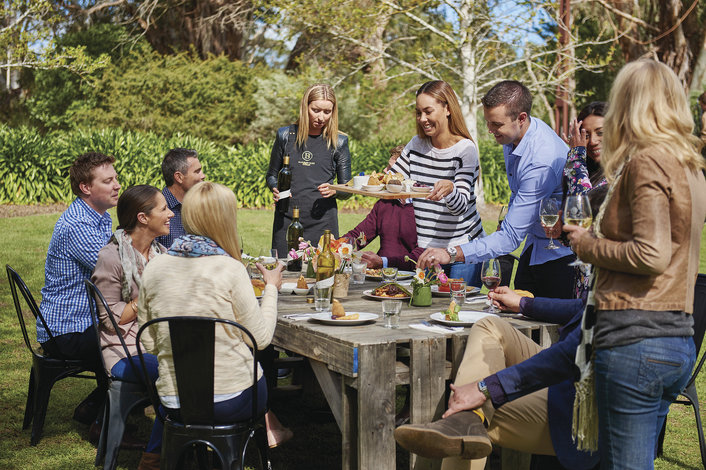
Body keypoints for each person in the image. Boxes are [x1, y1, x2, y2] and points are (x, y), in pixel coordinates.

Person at [565, 60, 706, 470]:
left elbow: (651, 253)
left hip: (636, 340)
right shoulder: (692, 168)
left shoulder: (648, 161)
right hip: (677, 339)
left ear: (627, 105)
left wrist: (587, 245)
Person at [137, 182, 291, 469]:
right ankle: (271, 434)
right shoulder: (230, 269)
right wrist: (271, 288)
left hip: (174, 400)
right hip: (231, 400)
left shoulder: (154, 266)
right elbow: (259, 339)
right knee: (259, 371)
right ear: (225, 219)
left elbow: (148, 343)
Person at [394, 287, 598, 470]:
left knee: (469, 415)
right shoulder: (609, 269)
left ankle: (466, 420)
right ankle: (467, 419)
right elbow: (583, 307)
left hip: (583, 405)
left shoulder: (614, 274)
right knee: (489, 325)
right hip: (570, 372)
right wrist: (523, 303)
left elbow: (569, 357)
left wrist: (485, 388)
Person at [417, 80, 576, 299]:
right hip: (534, 249)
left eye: (496, 124)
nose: (490, 130)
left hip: (558, 258)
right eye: (488, 122)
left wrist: (451, 253)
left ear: (521, 118)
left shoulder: (541, 161)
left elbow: (510, 237)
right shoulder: (514, 135)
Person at [91, 185, 172, 466]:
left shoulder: (161, 254)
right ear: (143, 218)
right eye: (164, 209)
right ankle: (154, 457)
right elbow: (111, 321)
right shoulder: (111, 257)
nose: (171, 214)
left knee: (194, 367)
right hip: (123, 350)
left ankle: (180, 445)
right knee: (179, 375)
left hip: (155, 342)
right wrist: (147, 292)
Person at [39, 152, 120, 425]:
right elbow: (116, 274)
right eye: (108, 181)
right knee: (139, 342)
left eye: (115, 178)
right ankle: (105, 422)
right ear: (86, 187)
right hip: (68, 330)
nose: (117, 185)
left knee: (138, 332)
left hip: (83, 320)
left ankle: (97, 408)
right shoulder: (78, 225)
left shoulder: (99, 216)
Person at [390, 80, 484, 286]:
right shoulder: (416, 145)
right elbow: (393, 182)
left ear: (447, 109)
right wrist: (384, 181)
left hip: (463, 249)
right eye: (418, 112)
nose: (422, 119)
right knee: (428, 304)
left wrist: (450, 189)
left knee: (459, 304)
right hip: (429, 249)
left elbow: (460, 207)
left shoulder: (465, 149)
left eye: (428, 111)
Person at [266, 83, 352, 255]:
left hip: (323, 223)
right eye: (316, 110)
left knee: (322, 270)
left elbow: (347, 188)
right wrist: (275, 188)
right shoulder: (285, 136)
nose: (321, 117)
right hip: (287, 220)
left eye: (327, 112)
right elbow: (271, 175)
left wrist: (335, 190)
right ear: (305, 107)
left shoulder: (339, 142)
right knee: (283, 269)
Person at [343, 144, 421, 271]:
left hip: (411, 276)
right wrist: (334, 245)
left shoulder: (424, 209)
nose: (385, 170)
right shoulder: (384, 204)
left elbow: (419, 257)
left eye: (391, 168)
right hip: (380, 274)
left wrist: (383, 262)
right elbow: (360, 236)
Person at [155, 148, 205, 249]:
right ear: (179, 177)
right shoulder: (155, 211)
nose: (203, 176)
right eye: (197, 171)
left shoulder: (201, 206)